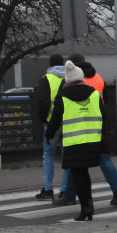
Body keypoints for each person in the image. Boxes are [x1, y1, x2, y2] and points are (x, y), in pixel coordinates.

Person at [53, 54, 117, 207]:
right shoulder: (98, 78)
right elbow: (105, 99)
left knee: (74, 164)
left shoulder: (69, 81)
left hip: (77, 131)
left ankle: (69, 195)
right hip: (97, 126)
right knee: (104, 159)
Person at [44, 61, 102, 221]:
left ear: (67, 81)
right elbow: (104, 116)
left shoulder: (63, 97)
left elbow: (55, 120)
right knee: (85, 174)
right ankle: (89, 206)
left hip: (73, 142)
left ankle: (86, 207)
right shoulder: (94, 94)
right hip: (92, 141)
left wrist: (49, 134)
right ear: (80, 78)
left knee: (78, 175)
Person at [33, 53, 66, 200]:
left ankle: (47, 189)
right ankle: (65, 189)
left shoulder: (46, 79)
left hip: (51, 123)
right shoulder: (69, 78)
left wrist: (43, 119)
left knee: (48, 154)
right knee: (67, 157)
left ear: (50, 65)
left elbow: (43, 103)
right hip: (68, 123)